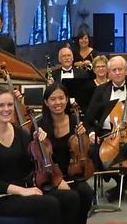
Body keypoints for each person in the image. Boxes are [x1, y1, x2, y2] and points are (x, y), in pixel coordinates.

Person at [0, 86, 79, 224]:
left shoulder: (20, 133)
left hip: (25, 188)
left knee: (71, 197)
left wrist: (38, 144)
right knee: (49, 204)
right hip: (0, 197)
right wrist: (22, 191)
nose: (6, 109)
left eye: (10, 104)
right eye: (1, 105)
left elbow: (31, 165)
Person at [85, 56, 127, 201]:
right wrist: (91, 133)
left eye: (120, 69)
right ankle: (119, 181)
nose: (117, 73)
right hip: (107, 134)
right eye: (114, 70)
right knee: (94, 151)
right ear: (108, 73)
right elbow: (88, 119)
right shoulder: (100, 91)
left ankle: (124, 184)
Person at [37, 83, 95, 224]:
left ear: (67, 99)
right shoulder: (40, 125)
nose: (58, 102)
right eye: (53, 99)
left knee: (86, 192)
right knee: (71, 197)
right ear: (46, 102)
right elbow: (37, 157)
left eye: (61, 98)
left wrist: (83, 137)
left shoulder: (75, 121)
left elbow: (86, 151)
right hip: (50, 176)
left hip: (71, 172)